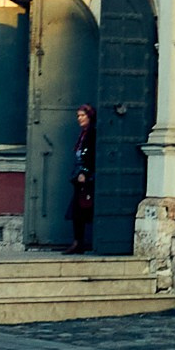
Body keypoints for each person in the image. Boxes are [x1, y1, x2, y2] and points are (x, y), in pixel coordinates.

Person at [68, 104, 96, 253]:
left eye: (82, 116)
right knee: (78, 211)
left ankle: (82, 242)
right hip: (79, 177)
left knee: (83, 210)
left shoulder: (91, 134)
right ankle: (78, 242)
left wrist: (85, 172)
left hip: (87, 179)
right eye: (78, 116)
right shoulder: (83, 134)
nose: (79, 119)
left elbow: (91, 156)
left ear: (89, 117)